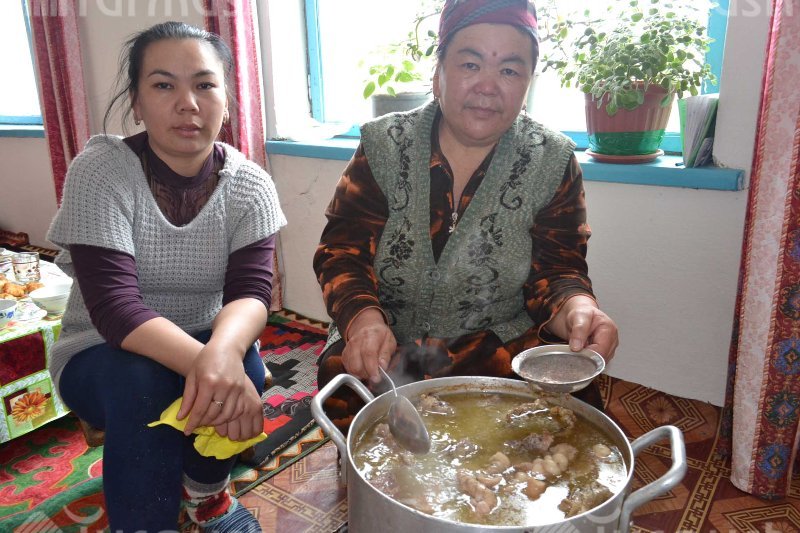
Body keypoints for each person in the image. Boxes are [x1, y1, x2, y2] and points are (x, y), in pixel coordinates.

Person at [313, 0, 619, 433]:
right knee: (356, 403)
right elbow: (341, 253)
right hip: (387, 343)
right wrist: (363, 320)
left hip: (498, 347)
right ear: (438, 74)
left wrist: (578, 309)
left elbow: (558, 271)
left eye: (509, 70)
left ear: (528, 84)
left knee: (560, 421)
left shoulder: (552, 160)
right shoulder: (383, 145)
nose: (488, 86)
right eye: (470, 64)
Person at [46, 21, 285, 532]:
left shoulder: (251, 185)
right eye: (163, 85)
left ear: (226, 100)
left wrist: (224, 354)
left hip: (202, 334)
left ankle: (207, 495)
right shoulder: (101, 171)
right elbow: (115, 309)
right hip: (99, 350)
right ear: (136, 102)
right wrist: (213, 366)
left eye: (204, 84)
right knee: (146, 382)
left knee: (245, 364)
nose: (187, 104)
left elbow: (251, 292)